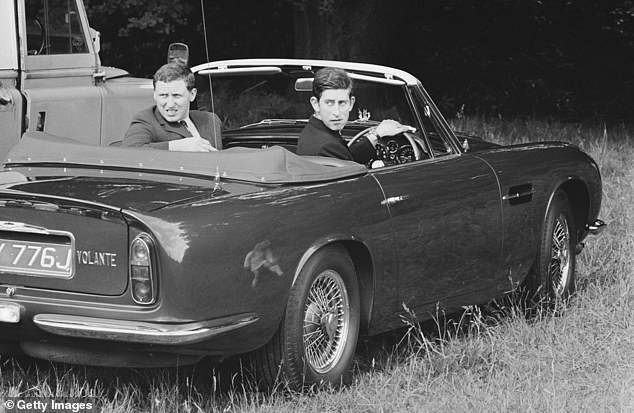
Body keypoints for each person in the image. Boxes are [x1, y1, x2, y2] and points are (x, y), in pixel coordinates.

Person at [297, 67, 413, 164]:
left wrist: (377, 134)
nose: (337, 112)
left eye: (342, 103)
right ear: (316, 104)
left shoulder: (311, 131)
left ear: (351, 103)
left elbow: (347, 158)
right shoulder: (327, 146)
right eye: (329, 103)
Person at [123, 62, 222, 151]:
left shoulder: (210, 120)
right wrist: (177, 147)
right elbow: (129, 151)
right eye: (163, 95)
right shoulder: (146, 120)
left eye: (176, 95)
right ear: (154, 95)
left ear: (192, 95)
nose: (170, 104)